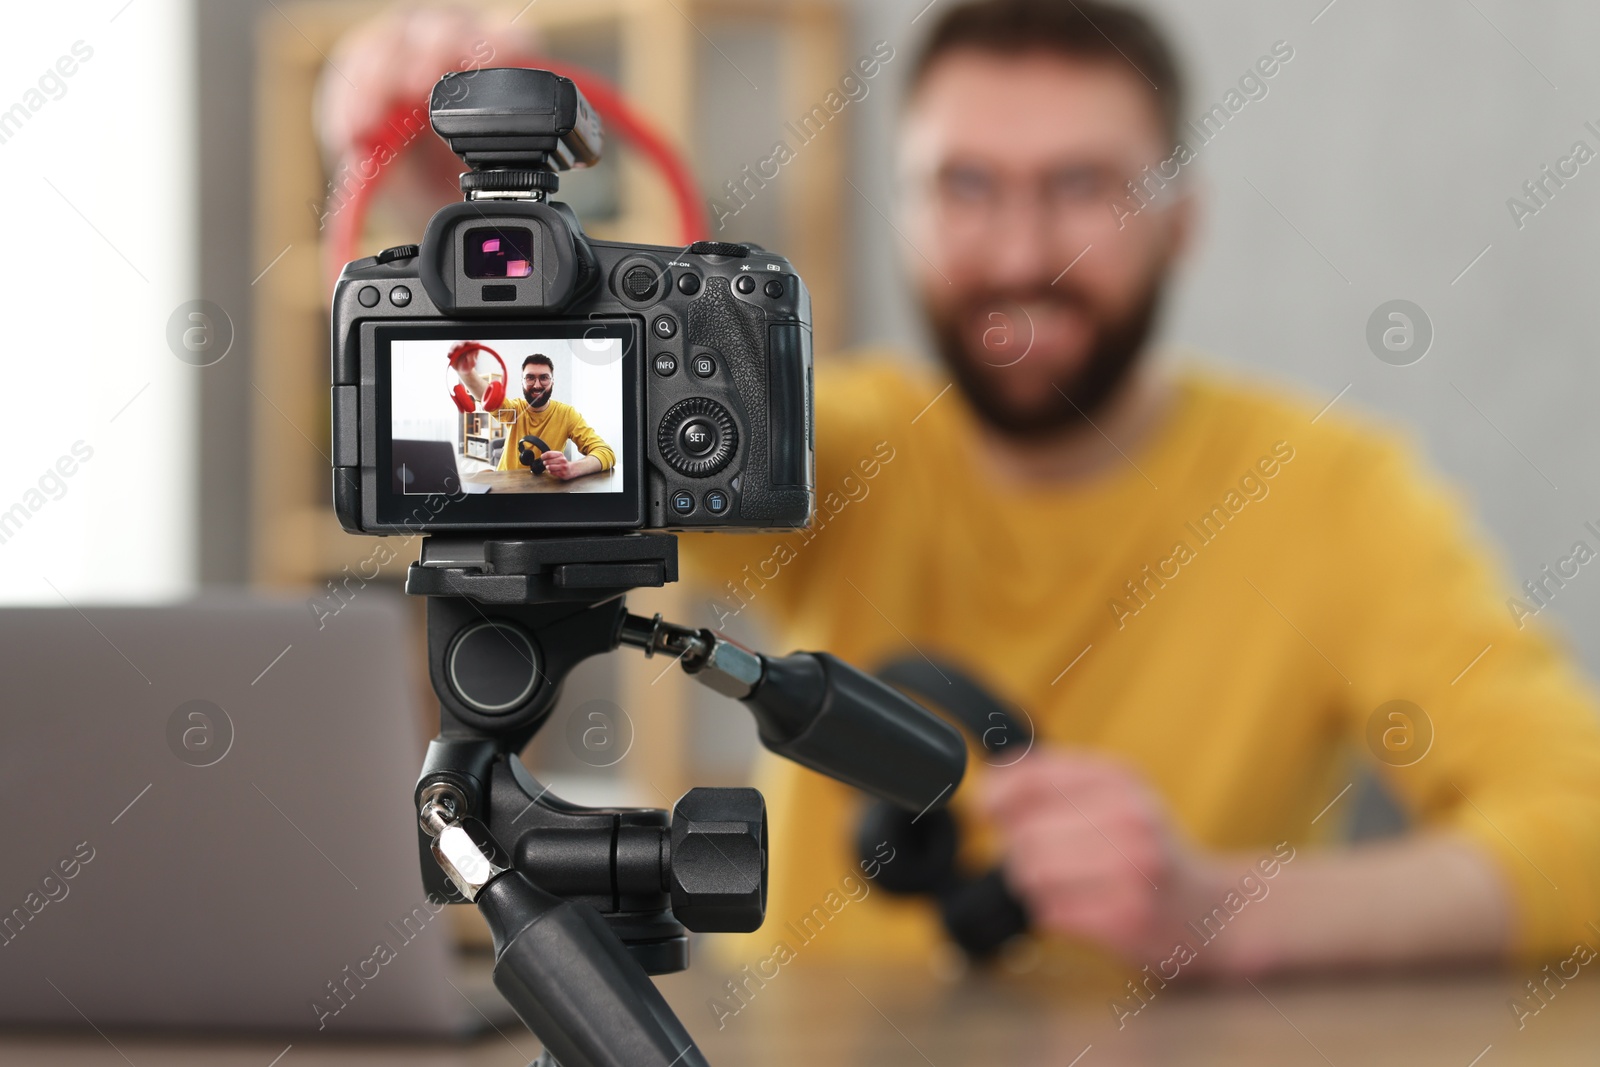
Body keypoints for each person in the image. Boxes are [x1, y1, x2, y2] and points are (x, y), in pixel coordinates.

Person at [324, 0, 1600, 979]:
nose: (1023, 252)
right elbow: (528, 454)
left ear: (1181, 220)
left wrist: (1222, 908)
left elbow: (1582, 823)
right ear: (906, 217)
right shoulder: (836, 441)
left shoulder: (1336, 494)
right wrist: (465, 268)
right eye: (967, 187)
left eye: (1083, 188)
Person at [455, 350, 615, 479]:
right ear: (522, 381)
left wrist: (572, 468)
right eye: (530, 378)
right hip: (505, 485)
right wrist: (466, 372)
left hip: (545, 490)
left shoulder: (567, 414)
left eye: (544, 378)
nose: (537, 385)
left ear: (553, 381)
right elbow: (489, 397)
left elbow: (605, 452)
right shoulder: (514, 409)